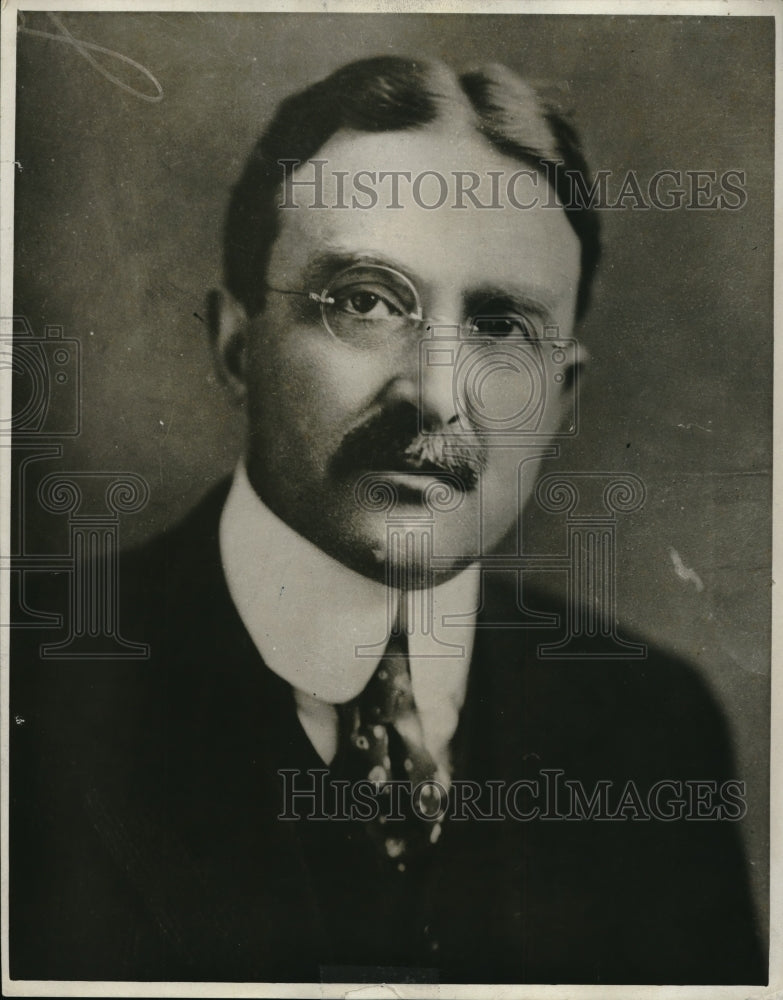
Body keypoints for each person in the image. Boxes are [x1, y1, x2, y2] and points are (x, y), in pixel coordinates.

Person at [10, 56, 765, 986]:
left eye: (499, 328)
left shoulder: (650, 730)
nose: (436, 395)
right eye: (364, 302)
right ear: (235, 346)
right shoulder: (38, 700)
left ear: (561, 401)